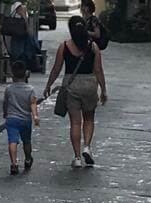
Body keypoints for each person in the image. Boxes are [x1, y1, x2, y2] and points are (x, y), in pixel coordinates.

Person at [44, 15, 107, 169]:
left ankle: (77, 157)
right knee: (89, 118)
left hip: (71, 85)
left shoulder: (64, 46)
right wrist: (103, 90)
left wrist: (48, 85)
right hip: (89, 84)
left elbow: (57, 68)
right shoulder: (93, 47)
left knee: (75, 122)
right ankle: (87, 147)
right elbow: (98, 70)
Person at [3, 61, 40, 175]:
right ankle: (28, 159)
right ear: (26, 74)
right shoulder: (30, 89)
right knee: (26, 141)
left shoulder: (9, 89)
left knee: (12, 141)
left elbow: (6, 103)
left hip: (11, 119)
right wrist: (35, 116)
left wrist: (5, 113)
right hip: (25, 119)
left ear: (12, 74)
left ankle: (14, 163)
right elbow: (33, 103)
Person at [8, 0, 34, 65]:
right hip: (21, 33)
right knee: (21, 54)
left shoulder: (14, 5)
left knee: (15, 52)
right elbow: (24, 19)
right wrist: (28, 30)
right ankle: (20, 72)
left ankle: (16, 71)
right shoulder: (21, 7)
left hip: (14, 32)